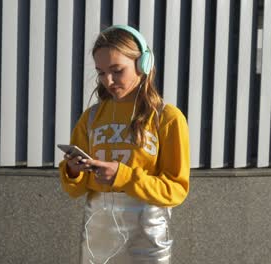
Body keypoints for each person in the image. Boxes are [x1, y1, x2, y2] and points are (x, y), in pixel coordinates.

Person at [59, 24, 190, 264]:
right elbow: (73, 190)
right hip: (97, 234)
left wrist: (123, 176)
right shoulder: (90, 118)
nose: (108, 80)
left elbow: (176, 190)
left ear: (143, 65)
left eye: (117, 70)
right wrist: (74, 171)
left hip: (147, 235)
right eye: (100, 72)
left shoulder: (167, 118)